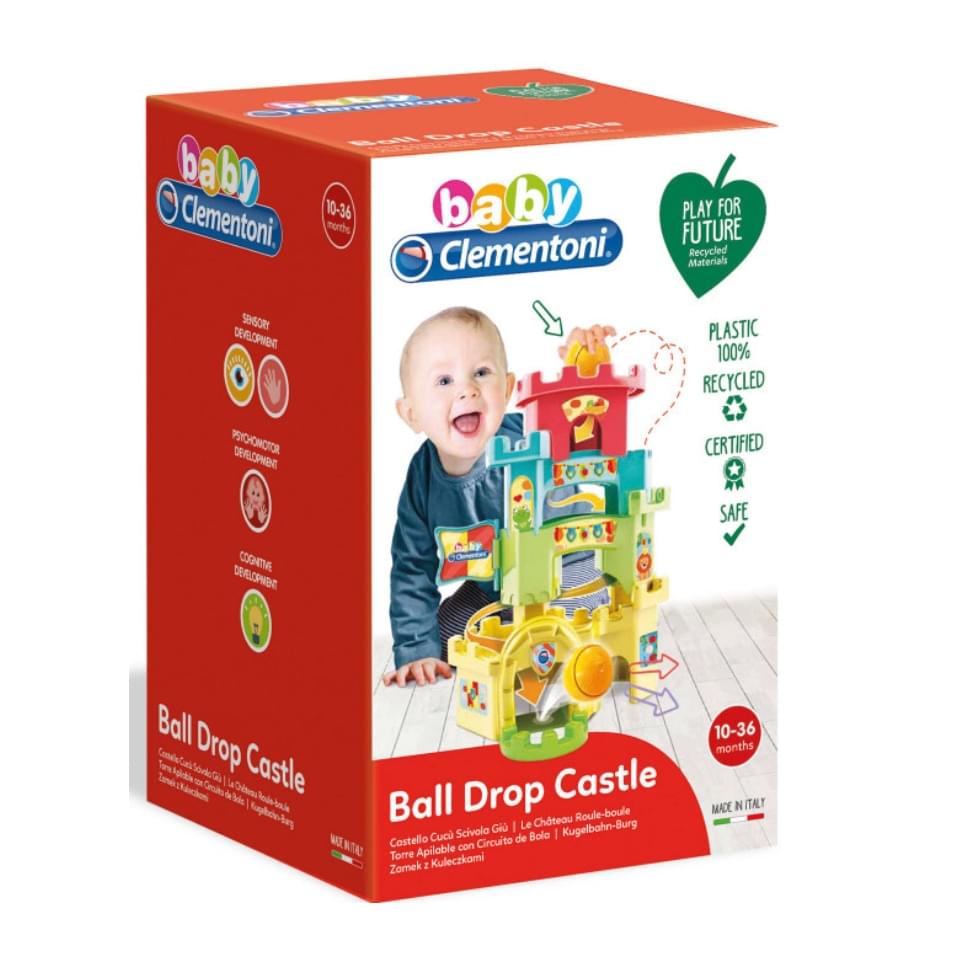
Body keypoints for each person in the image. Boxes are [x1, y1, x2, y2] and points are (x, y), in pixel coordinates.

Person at [382, 306, 615, 687]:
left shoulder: (528, 435)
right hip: (492, 589)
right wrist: (417, 649)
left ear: (506, 390)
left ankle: (537, 645)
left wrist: (584, 371)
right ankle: (515, 640)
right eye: (444, 381)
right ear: (411, 414)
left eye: (481, 372)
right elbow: (412, 567)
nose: (467, 389)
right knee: (444, 639)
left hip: (567, 569)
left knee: (570, 617)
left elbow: (580, 428)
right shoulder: (421, 477)